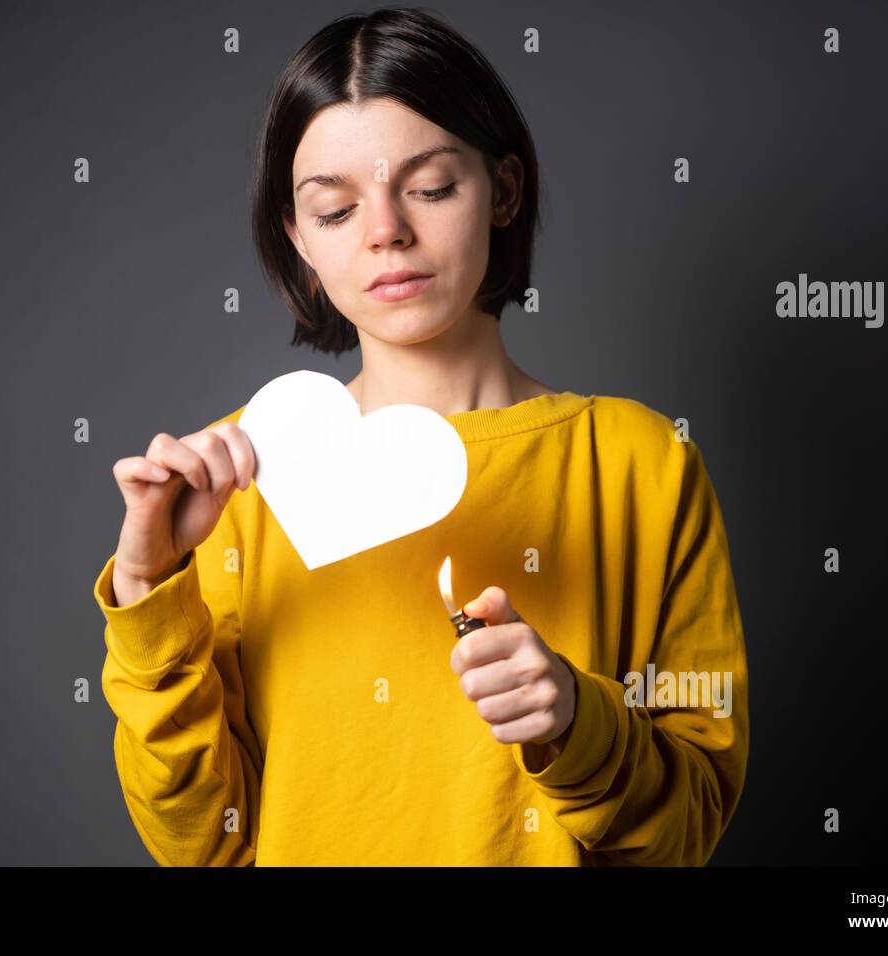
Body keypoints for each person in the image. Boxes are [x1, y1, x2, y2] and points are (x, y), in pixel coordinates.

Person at [93, 7, 748, 866]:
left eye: (431, 187)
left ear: (504, 190)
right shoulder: (232, 481)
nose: (385, 232)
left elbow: (688, 826)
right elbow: (199, 843)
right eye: (333, 210)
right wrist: (150, 586)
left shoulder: (641, 463)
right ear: (298, 241)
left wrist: (575, 722)